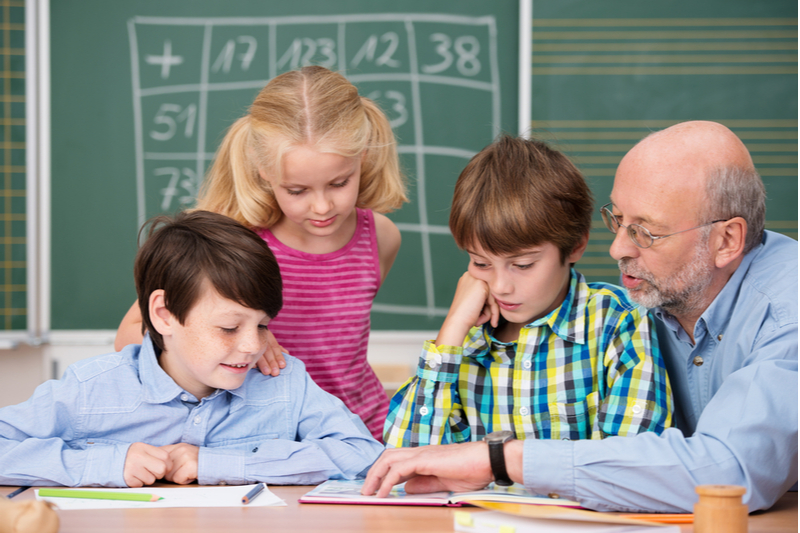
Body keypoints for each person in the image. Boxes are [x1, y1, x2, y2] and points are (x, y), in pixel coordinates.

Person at [362, 121, 798, 513]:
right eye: (618, 220)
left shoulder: (780, 312)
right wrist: (451, 338)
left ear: (727, 240)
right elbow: (408, 464)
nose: (617, 250)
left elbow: (726, 472)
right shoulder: (662, 299)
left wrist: (499, 460)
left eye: (645, 231)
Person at [115, 66, 408, 441]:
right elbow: (129, 334)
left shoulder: (379, 237)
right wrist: (248, 338)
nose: (321, 206)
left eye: (339, 183)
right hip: (261, 440)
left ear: (362, 158)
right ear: (264, 173)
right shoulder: (234, 244)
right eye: (298, 190)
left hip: (357, 433)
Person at [0, 211, 383, 487]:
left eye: (263, 325)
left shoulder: (284, 384)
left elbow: (362, 453)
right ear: (164, 315)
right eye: (230, 328)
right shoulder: (91, 389)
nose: (253, 346)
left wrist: (218, 464)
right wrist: (108, 463)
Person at [383, 135, 672, 450]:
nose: (500, 286)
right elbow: (403, 458)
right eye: (480, 263)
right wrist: (451, 330)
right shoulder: (464, 342)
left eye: (522, 265)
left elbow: (631, 462)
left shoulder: (620, 324)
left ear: (575, 245)